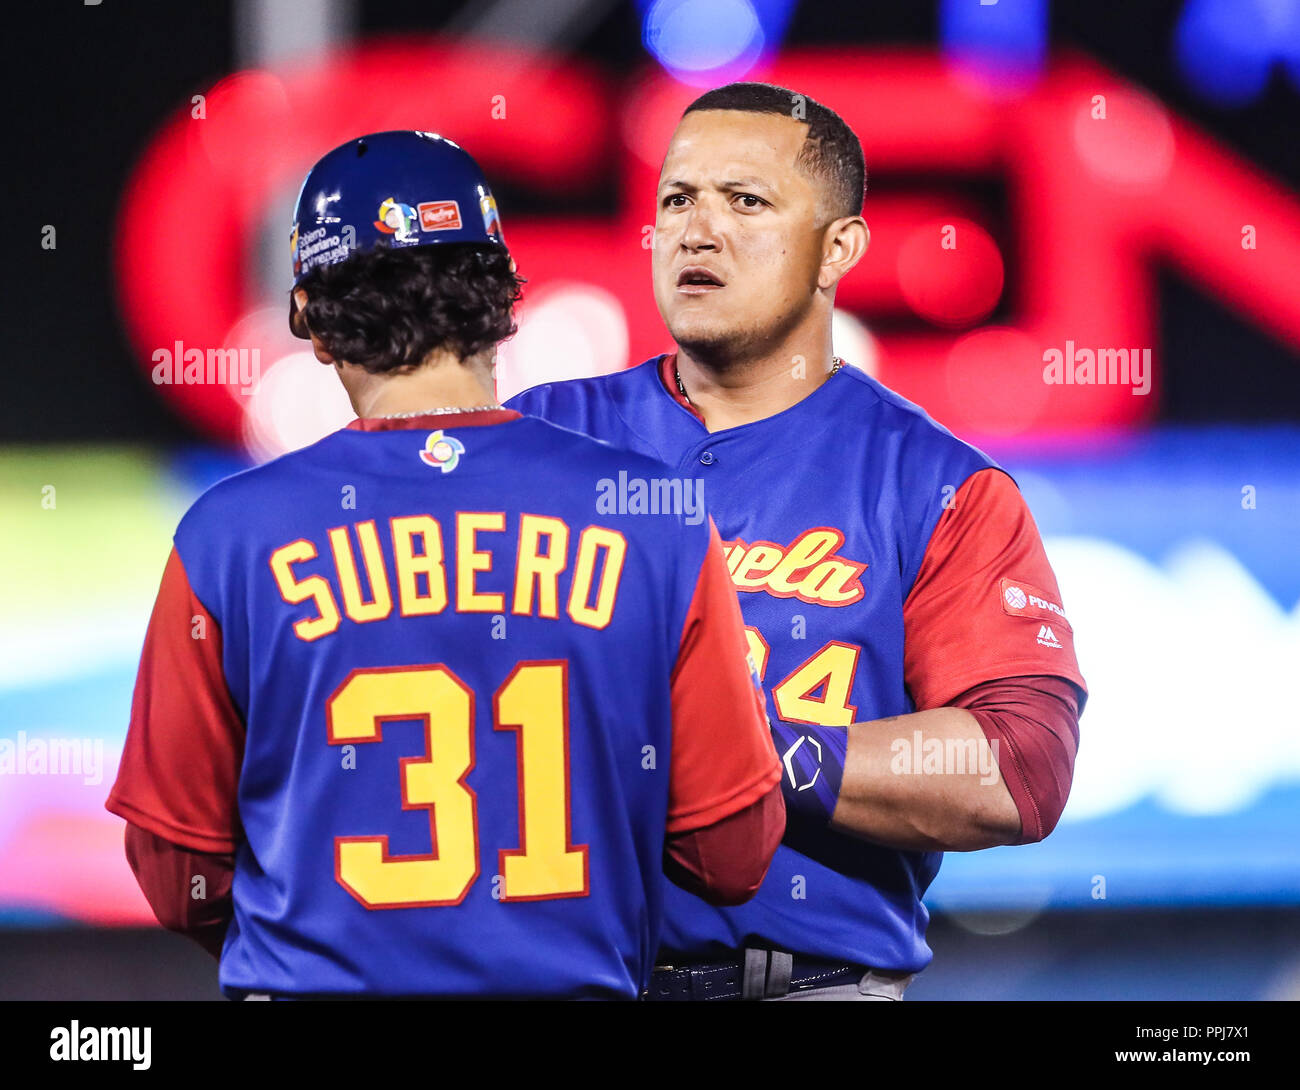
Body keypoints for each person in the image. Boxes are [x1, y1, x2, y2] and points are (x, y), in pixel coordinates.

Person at [106, 130, 784, 1000]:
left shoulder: (226, 537)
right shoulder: (655, 517)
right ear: (502, 294)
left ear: (310, 318)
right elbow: (731, 851)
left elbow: (177, 873)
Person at [508, 84, 1088, 1001]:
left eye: (746, 201)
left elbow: (1019, 764)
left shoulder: (935, 484)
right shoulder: (532, 441)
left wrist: (763, 754)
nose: (697, 231)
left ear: (840, 248)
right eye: (677, 199)